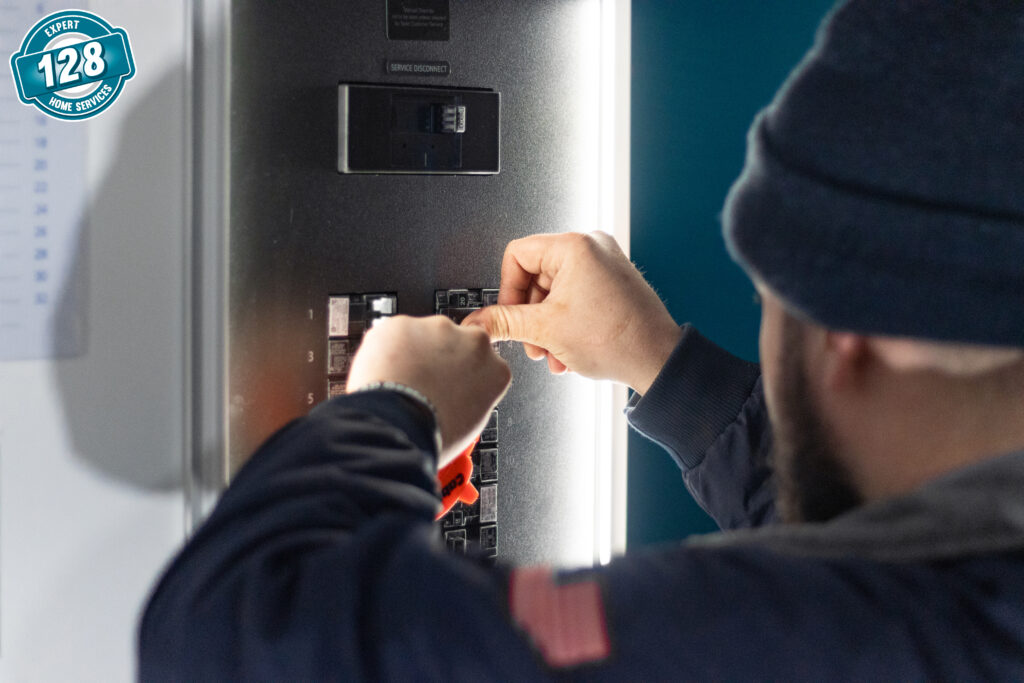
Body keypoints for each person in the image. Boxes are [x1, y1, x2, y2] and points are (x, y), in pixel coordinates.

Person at [140, 1, 1024, 679]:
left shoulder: (875, 635)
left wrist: (390, 414)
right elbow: (846, 536)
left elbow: (240, 637)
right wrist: (659, 362)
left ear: (865, 326)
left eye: (771, 297)